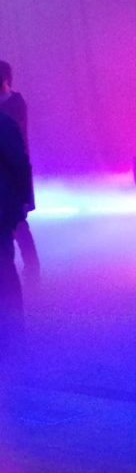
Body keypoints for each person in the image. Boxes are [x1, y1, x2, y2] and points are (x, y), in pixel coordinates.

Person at [0, 60, 38, 289]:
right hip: (11, 177)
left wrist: (24, 194)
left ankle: (32, 270)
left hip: (12, 179)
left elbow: (17, 152)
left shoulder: (14, 103)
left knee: (19, 225)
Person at [0, 109, 31, 341]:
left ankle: (13, 333)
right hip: (3, 207)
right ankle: (13, 334)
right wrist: (23, 200)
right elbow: (19, 164)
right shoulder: (5, 123)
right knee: (4, 268)